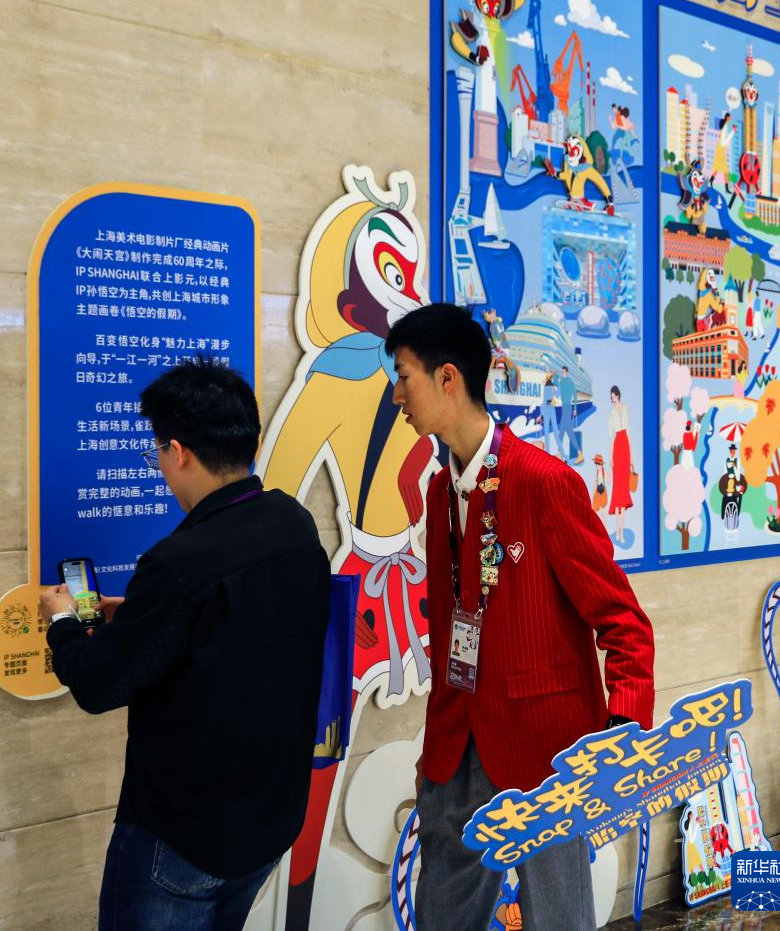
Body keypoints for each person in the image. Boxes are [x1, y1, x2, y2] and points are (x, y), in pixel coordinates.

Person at [385, 304, 655, 931]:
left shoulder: (544, 483)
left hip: (546, 751)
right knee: (443, 910)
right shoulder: (439, 490)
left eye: (403, 377)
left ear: (448, 378)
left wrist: (620, 737)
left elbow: (623, 621)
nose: (396, 395)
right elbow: (450, 623)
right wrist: (433, 749)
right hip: (455, 742)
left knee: (558, 916)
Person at [39, 359, 331, 931]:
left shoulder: (178, 563)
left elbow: (98, 684)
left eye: (157, 453)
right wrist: (142, 614)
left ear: (177, 452)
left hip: (183, 839)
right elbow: (226, 631)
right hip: (269, 822)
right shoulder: (292, 524)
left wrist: (63, 621)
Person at [608, 385, 633, 545]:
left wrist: (631, 459)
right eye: (611, 397)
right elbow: (612, 437)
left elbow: (628, 432)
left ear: (617, 395)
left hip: (625, 446)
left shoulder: (625, 409)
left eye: (614, 396)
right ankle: (618, 531)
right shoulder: (611, 413)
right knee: (617, 489)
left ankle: (620, 531)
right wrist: (611, 458)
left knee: (623, 490)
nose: (613, 399)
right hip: (617, 445)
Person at [558, 365, 584, 465]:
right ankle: (561, 453)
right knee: (562, 431)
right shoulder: (561, 382)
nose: (563, 374)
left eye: (564, 372)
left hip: (567, 408)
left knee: (567, 432)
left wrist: (575, 409)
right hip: (564, 407)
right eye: (562, 372)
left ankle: (579, 454)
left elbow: (575, 396)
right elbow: (559, 393)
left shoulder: (569, 382)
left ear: (567, 372)